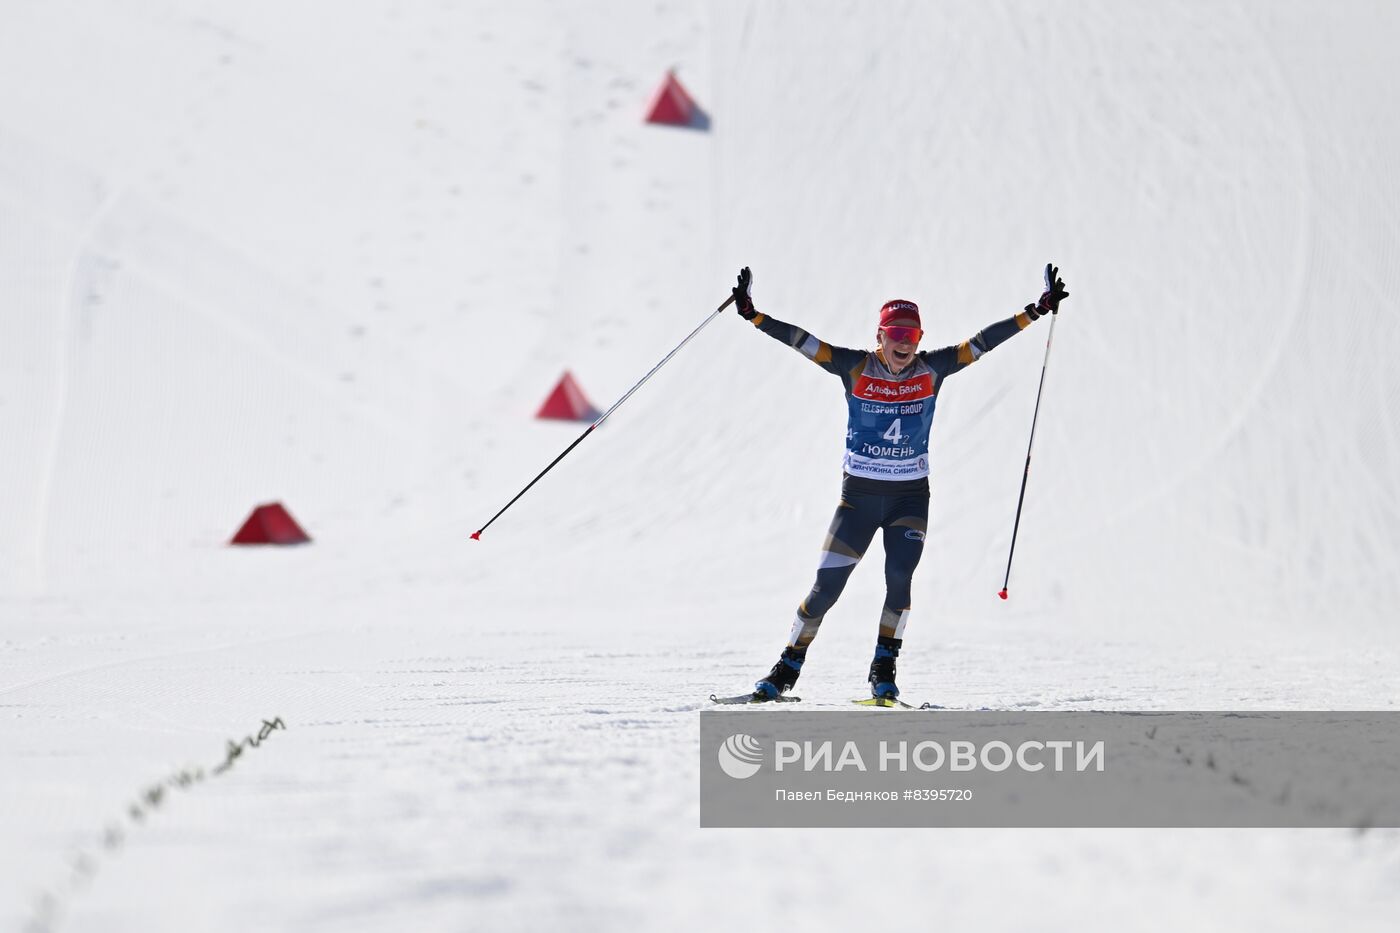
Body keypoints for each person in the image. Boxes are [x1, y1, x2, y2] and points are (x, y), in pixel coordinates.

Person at [730, 264, 1068, 700]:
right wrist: (754, 316)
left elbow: (982, 343)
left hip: (909, 498)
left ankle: (883, 670)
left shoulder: (934, 369)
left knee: (899, 580)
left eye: (912, 336)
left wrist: (1036, 311)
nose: (904, 344)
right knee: (824, 589)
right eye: (896, 335)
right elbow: (802, 341)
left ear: (920, 340)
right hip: (858, 500)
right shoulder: (853, 367)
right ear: (880, 337)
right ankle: (785, 669)